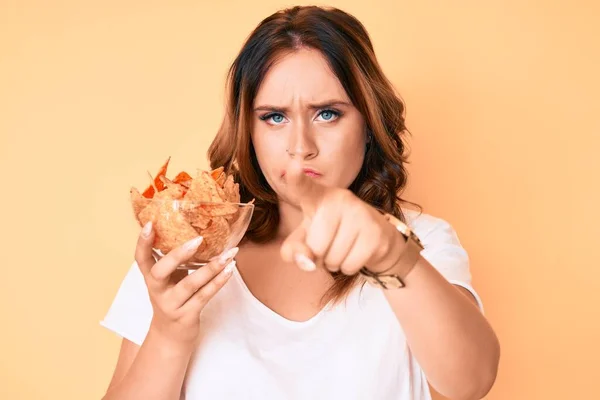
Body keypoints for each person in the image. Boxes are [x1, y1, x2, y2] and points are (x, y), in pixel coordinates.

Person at [100, 5, 500, 400]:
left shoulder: (423, 241)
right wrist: (169, 334)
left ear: (368, 125)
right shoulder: (183, 252)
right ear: (248, 131)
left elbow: (471, 382)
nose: (300, 147)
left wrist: (393, 255)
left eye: (327, 114)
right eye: (275, 117)